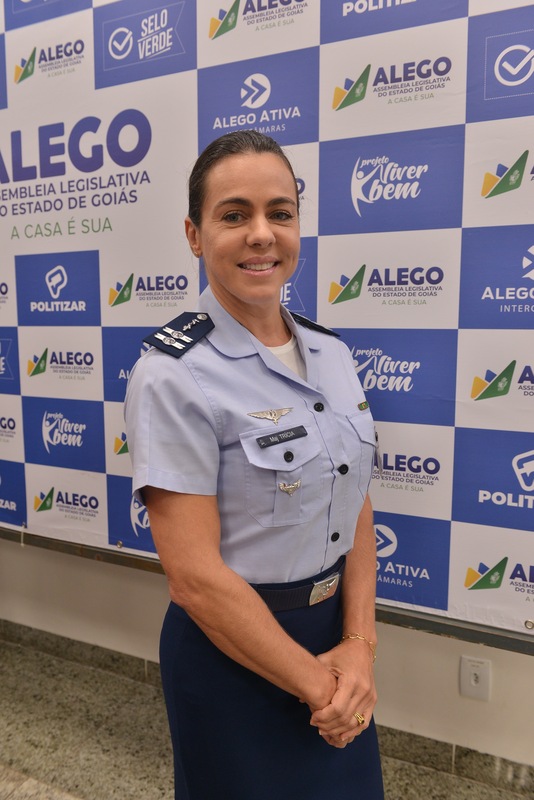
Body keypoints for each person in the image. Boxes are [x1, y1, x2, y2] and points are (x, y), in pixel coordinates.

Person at [124, 130, 384, 799]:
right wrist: (317, 685)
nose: (262, 234)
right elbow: (195, 580)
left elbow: (354, 498)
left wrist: (358, 645)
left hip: (335, 643)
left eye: (280, 212)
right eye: (234, 215)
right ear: (194, 234)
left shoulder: (332, 354)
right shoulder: (172, 375)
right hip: (232, 659)